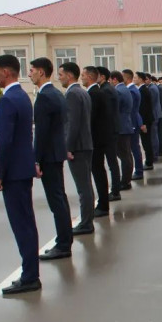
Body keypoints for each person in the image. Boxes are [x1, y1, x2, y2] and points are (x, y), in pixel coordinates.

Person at [0, 54, 41, 295]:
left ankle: (30, 276)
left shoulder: (8, 100)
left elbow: (5, 142)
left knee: (21, 225)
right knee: (27, 222)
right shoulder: (22, 96)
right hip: (23, 169)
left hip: (13, 173)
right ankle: (31, 273)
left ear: (6, 72)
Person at [29, 57, 73, 259]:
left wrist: (36, 160)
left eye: (32, 70)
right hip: (56, 153)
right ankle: (65, 240)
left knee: (56, 201)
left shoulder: (45, 96)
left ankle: (63, 244)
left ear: (41, 72)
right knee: (60, 198)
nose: (29, 74)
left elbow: (42, 133)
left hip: (49, 155)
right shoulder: (56, 93)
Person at [58, 62, 95, 235]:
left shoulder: (72, 94)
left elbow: (72, 124)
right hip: (85, 144)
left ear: (69, 75)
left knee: (83, 187)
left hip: (78, 146)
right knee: (86, 184)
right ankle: (87, 220)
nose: (59, 78)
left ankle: (86, 223)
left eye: (61, 75)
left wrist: (68, 147)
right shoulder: (82, 92)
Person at [84, 67, 112, 216]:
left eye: (83, 75)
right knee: (99, 170)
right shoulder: (97, 92)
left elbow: (90, 119)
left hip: (96, 139)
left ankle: (103, 205)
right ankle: (103, 203)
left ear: (89, 77)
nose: (81, 78)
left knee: (98, 171)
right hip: (99, 138)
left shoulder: (94, 94)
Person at [98, 68, 122, 200]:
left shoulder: (106, 90)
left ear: (102, 77)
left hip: (109, 131)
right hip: (112, 129)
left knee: (112, 162)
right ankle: (115, 189)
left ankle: (115, 191)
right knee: (112, 162)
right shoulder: (108, 88)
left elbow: (106, 113)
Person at [112, 70, 135, 191]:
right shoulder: (124, 89)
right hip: (125, 125)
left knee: (124, 155)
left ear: (115, 79)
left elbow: (115, 109)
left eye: (110, 80)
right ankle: (127, 180)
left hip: (121, 127)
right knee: (126, 155)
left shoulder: (119, 91)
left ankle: (125, 181)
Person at [122, 68, 144, 180]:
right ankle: (138, 170)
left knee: (134, 148)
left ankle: (139, 171)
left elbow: (130, 109)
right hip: (134, 121)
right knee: (134, 147)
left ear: (126, 78)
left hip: (132, 122)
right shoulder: (133, 89)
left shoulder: (131, 91)